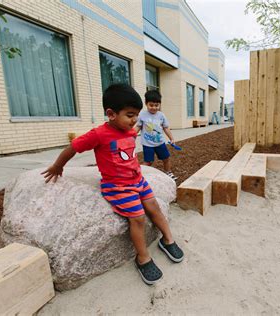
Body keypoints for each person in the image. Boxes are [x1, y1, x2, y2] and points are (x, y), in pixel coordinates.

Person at [41, 84, 184, 285]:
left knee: (154, 206)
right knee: (138, 219)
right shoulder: (99, 134)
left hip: (138, 180)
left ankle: (168, 239)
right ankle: (142, 258)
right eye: (130, 115)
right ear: (111, 114)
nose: (135, 120)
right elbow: (72, 148)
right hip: (118, 186)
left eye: (136, 114)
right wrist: (58, 166)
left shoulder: (129, 131)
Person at [135, 90, 177, 181]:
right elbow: (138, 126)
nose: (154, 107)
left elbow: (166, 128)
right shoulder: (142, 115)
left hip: (160, 143)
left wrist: (171, 138)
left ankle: (168, 172)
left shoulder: (161, 115)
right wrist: (131, 136)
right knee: (148, 162)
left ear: (160, 104)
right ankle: (140, 176)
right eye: (151, 105)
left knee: (166, 158)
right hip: (147, 144)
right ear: (146, 103)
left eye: (156, 105)